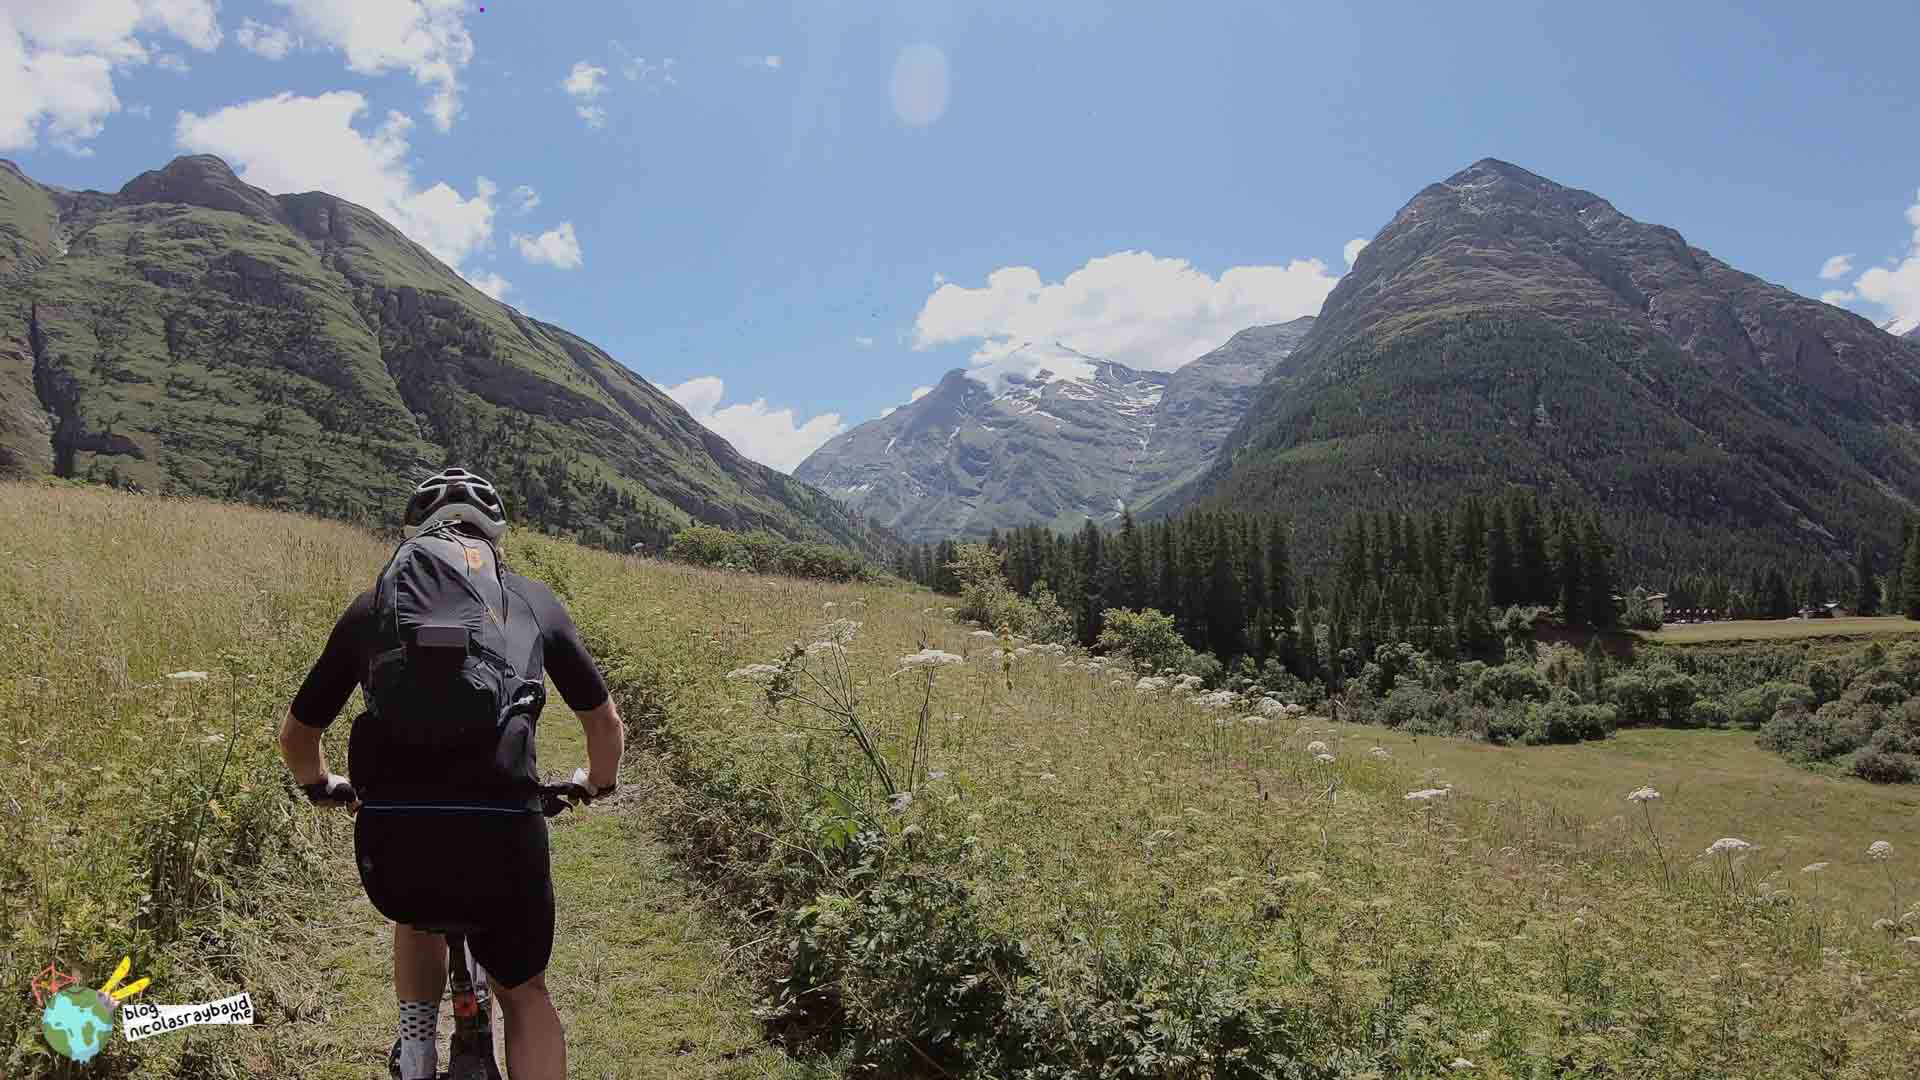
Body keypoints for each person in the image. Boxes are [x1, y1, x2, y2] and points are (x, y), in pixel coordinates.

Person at [278, 467, 625, 1080]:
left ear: (415, 534)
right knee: (525, 992)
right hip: (504, 839)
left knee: (418, 915)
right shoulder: (532, 600)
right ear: (494, 535)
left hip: (399, 841)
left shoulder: (374, 608)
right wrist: (597, 782)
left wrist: (321, 786)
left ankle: (416, 1051)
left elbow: (299, 736)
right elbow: (602, 723)